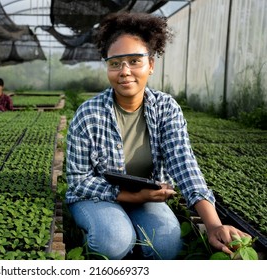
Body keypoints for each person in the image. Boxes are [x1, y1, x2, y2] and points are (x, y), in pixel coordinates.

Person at [65, 12, 250, 260]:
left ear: (151, 64)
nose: (124, 71)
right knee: (113, 240)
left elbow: (184, 164)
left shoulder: (165, 108)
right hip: (96, 196)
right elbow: (78, 180)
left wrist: (214, 224)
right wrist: (130, 195)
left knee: (167, 246)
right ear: (107, 65)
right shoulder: (88, 113)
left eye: (134, 61)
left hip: (146, 199)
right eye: (115, 63)